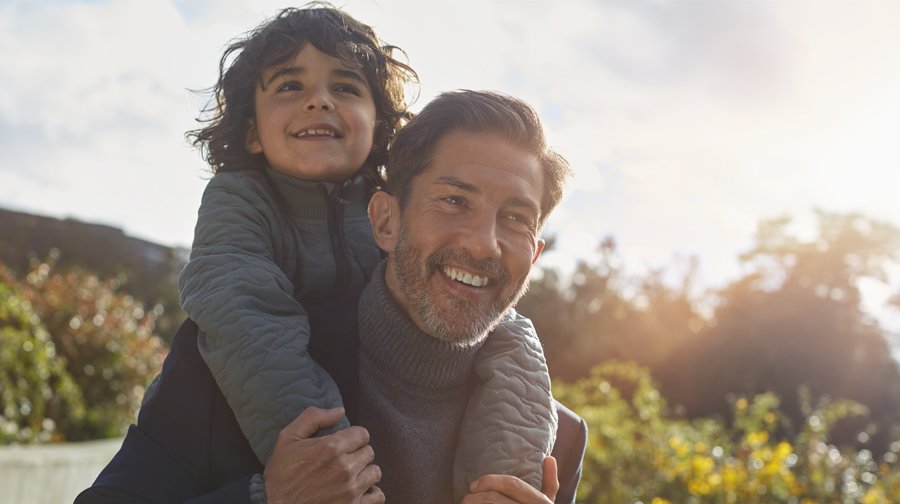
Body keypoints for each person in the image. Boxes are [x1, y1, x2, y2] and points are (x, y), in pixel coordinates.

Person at [76, 90, 587, 503]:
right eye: (454, 201)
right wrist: (268, 498)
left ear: (535, 253)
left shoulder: (556, 437)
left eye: (516, 218)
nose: (484, 243)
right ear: (385, 221)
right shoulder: (228, 366)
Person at [175, 4, 557, 498]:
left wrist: (515, 479)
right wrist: (319, 459)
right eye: (291, 86)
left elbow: (487, 304)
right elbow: (246, 318)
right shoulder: (239, 207)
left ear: (380, 127)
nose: (319, 102)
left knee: (515, 333)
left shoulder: (559, 435)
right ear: (386, 221)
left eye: (346, 87)